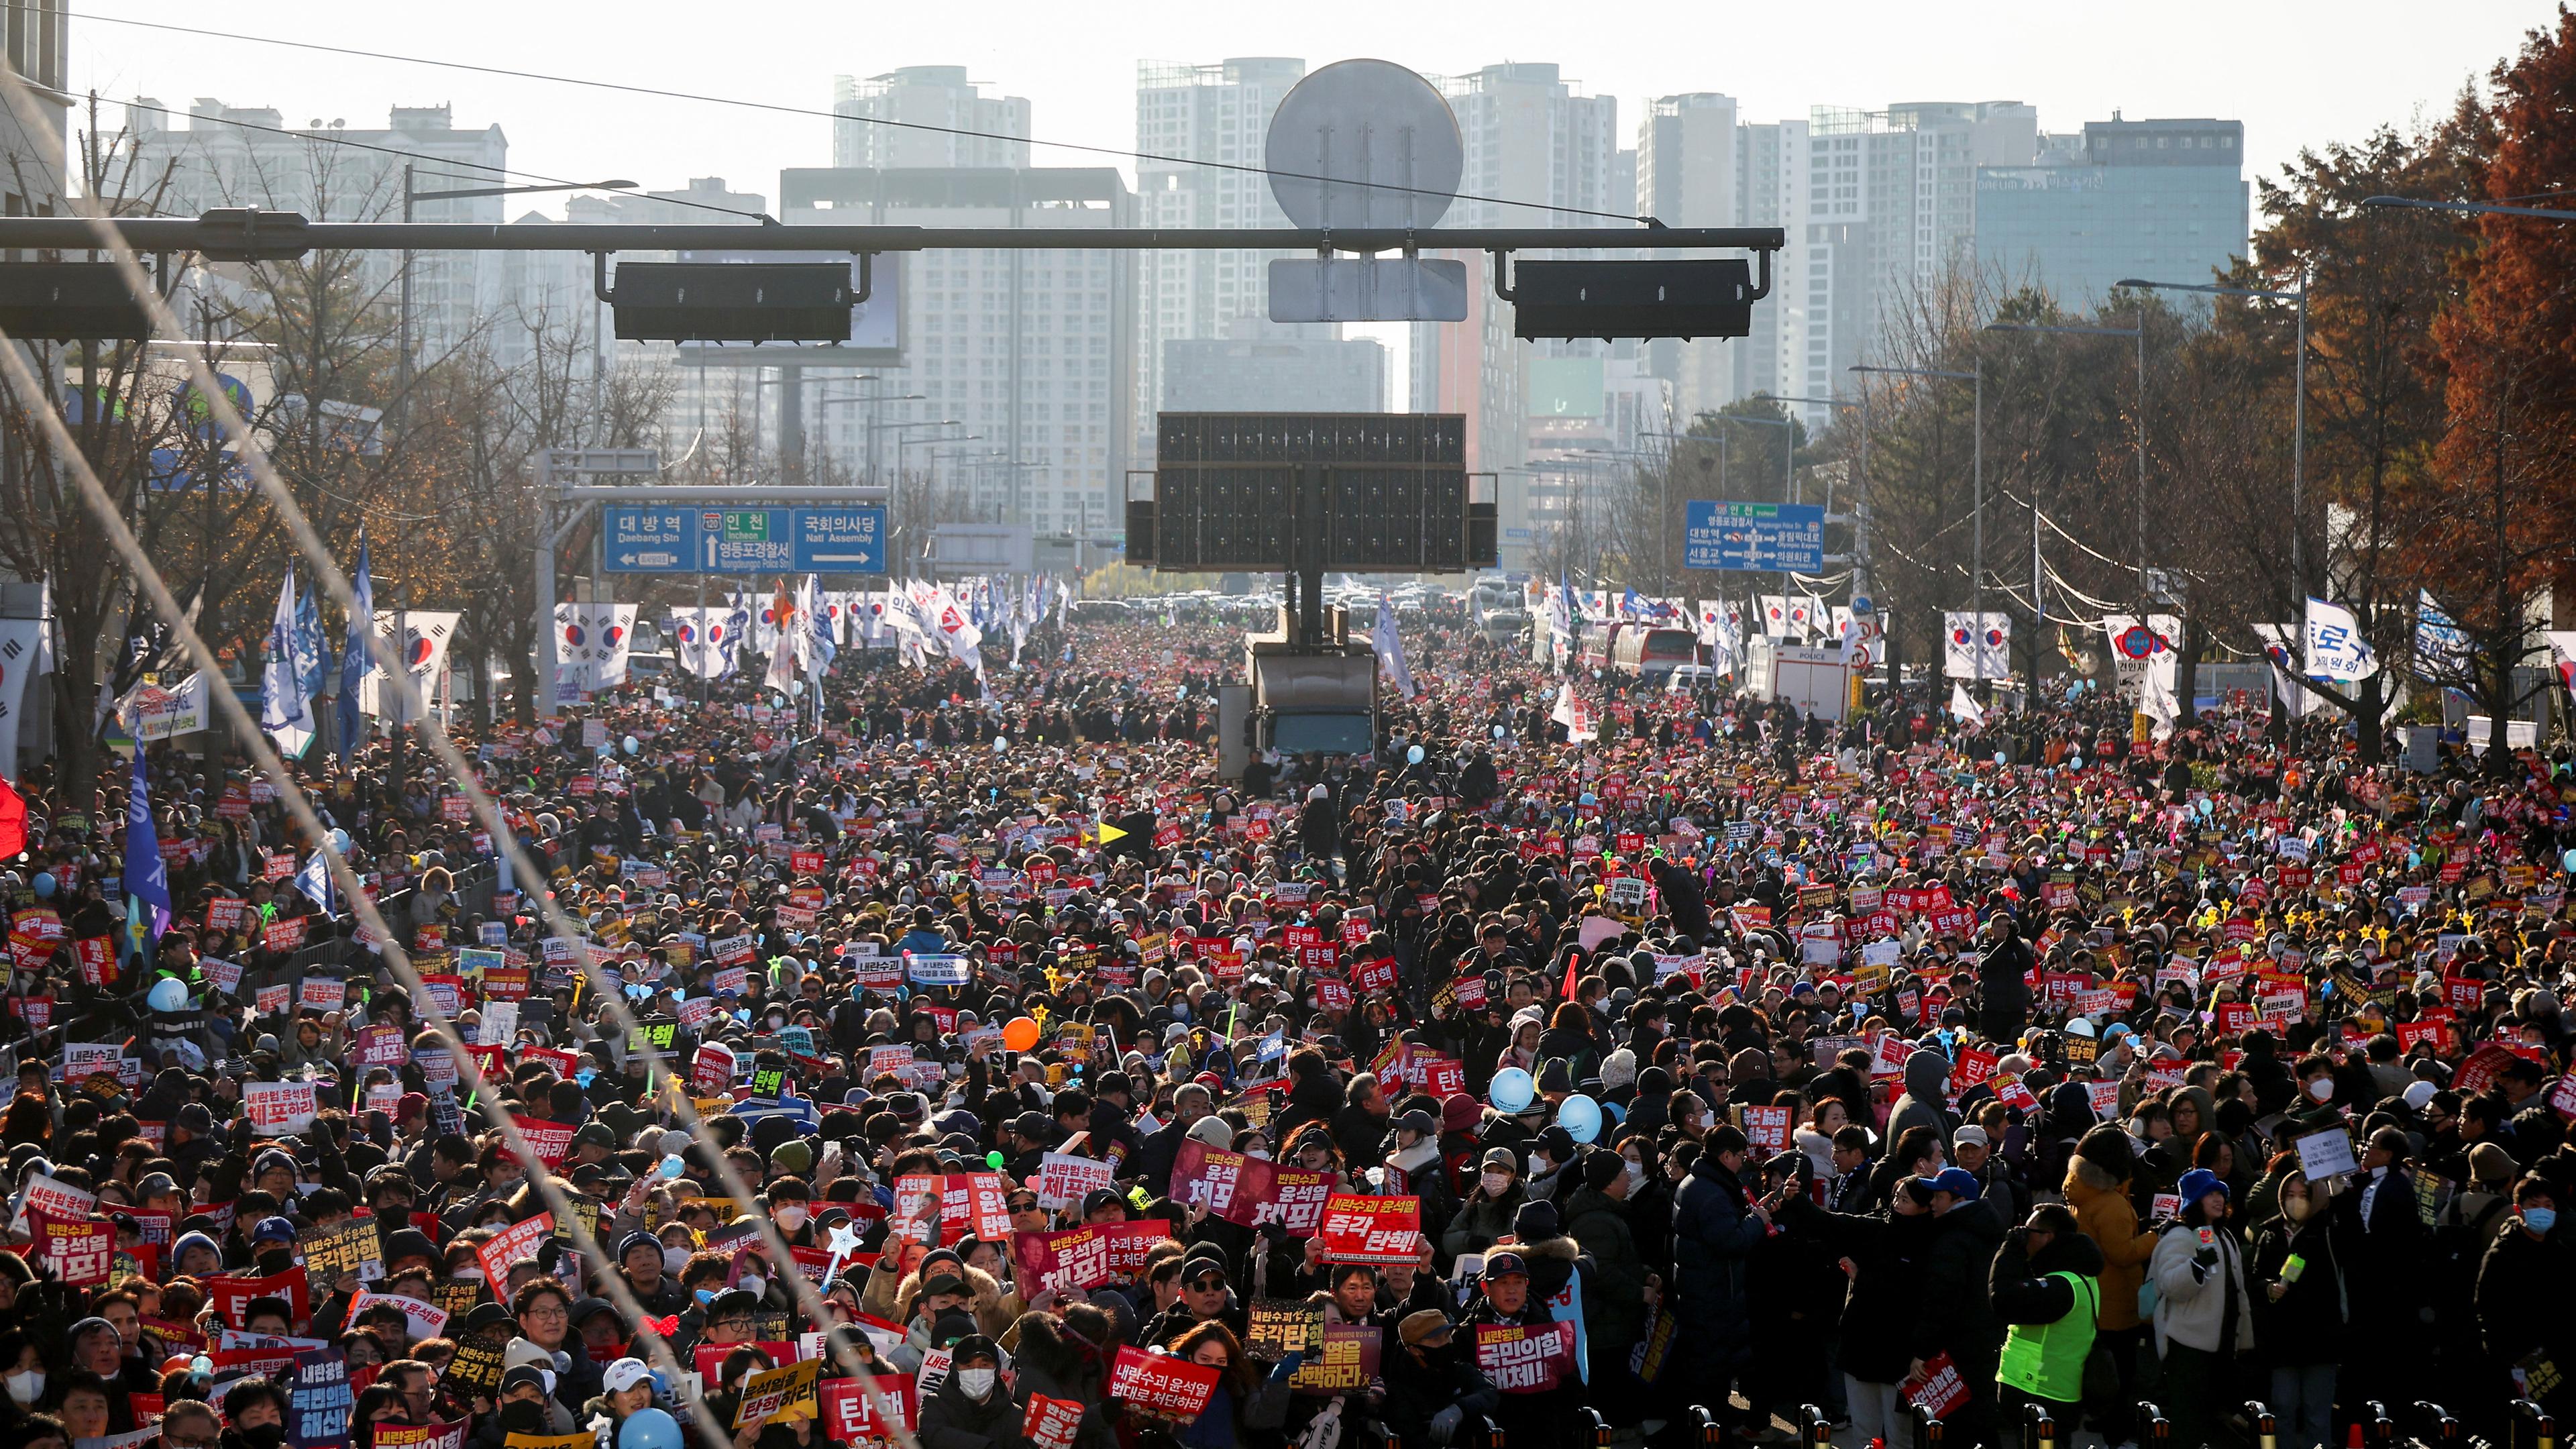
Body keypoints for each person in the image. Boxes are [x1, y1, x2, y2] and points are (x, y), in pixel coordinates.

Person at [1672, 1126, 1774, 1439]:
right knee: (1712, 1375)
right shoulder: (1712, 1193)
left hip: (1700, 1291)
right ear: (1726, 1155)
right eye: (1740, 1157)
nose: (1742, 1163)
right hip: (1712, 1295)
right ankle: (1714, 1431)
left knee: (1707, 1372)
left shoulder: (1697, 1183)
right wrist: (1758, 1221)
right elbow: (1730, 1241)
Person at [2151, 1167, 2255, 1449]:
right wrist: (2195, 1267)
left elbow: (2238, 1291)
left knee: (2215, 1423)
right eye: (2209, 1193)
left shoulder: (2225, 1236)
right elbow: (2169, 1284)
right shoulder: (2180, 1236)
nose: (2218, 1199)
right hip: (2188, 1346)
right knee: (2189, 1424)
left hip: (2222, 1346)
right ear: (2195, 1200)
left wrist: (2244, 1338)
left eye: (2220, 1192)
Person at [2247, 1169, 2348, 1449]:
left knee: (2317, 1414)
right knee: (2282, 1410)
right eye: (2289, 1195)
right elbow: (2254, 1278)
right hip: (2282, 1339)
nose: (2296, 1201)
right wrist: (2268, 1287)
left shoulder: (2328, 1230)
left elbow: (2353, 1245)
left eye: (2303, 1195)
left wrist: (2340, 1197)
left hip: (2321, 1338)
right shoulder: (2271, 1231)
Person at [1990, 1203, 2102, 1449]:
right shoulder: (2078, 1277)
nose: (2023, 1235)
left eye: (2028, 1231)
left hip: (2041, 1391)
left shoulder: (2061, 1287)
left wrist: (2010, 1249)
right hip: (2054, 1390)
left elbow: (2002, 1299)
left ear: (2048, 1237)